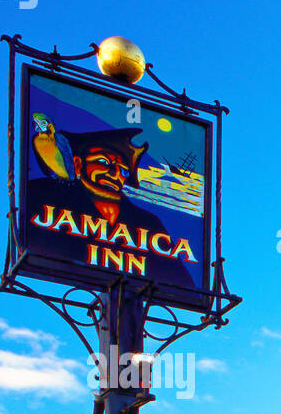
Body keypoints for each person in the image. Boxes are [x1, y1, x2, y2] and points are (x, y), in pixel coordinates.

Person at [25, 126, 201, 294]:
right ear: (78, 164)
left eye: (122, 169)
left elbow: (183, 285)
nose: (114, 172)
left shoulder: (148, 222)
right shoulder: (42, 193)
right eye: (103, 162)